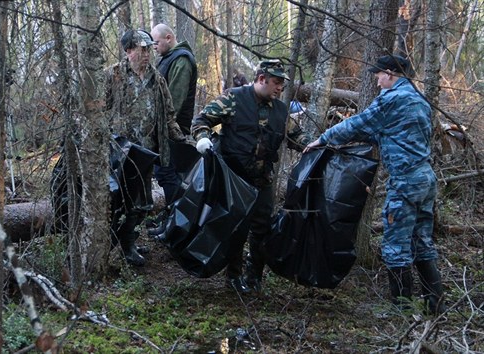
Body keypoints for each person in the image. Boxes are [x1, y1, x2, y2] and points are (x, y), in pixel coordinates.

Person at [304, 55, 446, 315]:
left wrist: (324, 139)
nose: (378, 82)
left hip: (405, 182)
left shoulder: (392, 99)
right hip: (426, 179)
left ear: (390, 73)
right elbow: (385, 131)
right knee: (422, 240)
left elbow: (359, 123)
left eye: (379, 76)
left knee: (395, 244)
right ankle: (433, 303)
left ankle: (401, 309)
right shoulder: (419, 99)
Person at [191, 59, 310, 293]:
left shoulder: (281, 111)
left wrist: (316, 146)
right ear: (261, 79)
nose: (280, 88)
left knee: (262, 229)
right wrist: (203, 138)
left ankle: (254, 276)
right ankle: (232, 278)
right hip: (233, 179)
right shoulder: (234, 98)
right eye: (276, 83)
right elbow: (201, 120)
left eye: (282, 85)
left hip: (262, 180)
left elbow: (298, 137)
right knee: (236, 228)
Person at [106, 29, 186, 266]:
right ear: (128, 51)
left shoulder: (157, 77)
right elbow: (98, 110)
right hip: (121, 153)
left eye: (149, 48)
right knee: (120, 199)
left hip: (147, 152)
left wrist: (181, 141)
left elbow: (169, 114)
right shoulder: (113, 75)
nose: (147, 53)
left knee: (142, 203)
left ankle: (128, 240)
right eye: (141, 48)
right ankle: (123, 243)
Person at [149, 23, 198, 236]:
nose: (154, 47)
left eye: (156, 42)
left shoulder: (181, 60)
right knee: (166, 173)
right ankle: (171, 215)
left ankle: (176, 223)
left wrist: (166, 128)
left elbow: (174, 101)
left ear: (169, 38)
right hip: (164, 129)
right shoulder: (170, 59)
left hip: (172, 129)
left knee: (167, 174)